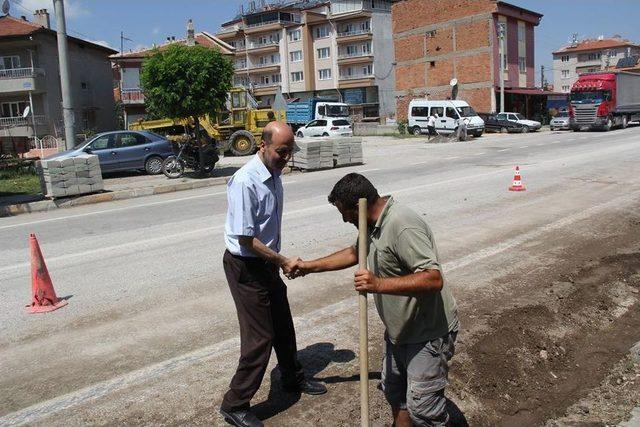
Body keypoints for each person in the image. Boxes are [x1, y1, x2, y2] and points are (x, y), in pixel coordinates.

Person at [290, 173, 459, 427]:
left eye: (344, 212)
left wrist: (378, 284)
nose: (345, 219)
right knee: (396, 393)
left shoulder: (402, 224)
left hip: (427, 333)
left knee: (424, 411)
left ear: (359, 205)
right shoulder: (371, 225)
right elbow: (354, 253)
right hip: (399, 332)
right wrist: (307, 267)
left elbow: (433, 279)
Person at [220, 121, 327, 427]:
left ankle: (292, 378)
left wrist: (275, 261)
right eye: (282, 151)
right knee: (260, 336)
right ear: (263, 146)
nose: (286, 157)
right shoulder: (245, 182)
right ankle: (235, 403)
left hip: (264, 262)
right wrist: (281, 260)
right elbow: (245, 239)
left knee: (282, 322)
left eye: (290, 151)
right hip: (246, 266)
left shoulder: (274, 173)